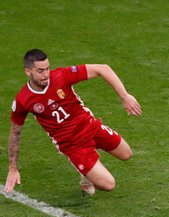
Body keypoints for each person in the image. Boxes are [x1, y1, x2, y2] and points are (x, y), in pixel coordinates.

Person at [5, 48, 142, 195]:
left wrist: (125, 97)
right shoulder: (23, 100)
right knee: (109, 185)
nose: (46, 75)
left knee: (126, 154)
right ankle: (86, 174)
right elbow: (15, 134)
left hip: (90, 126)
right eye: (40, 71)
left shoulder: (61, 76)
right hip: (73, 145)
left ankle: (89, 168)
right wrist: (13, 169)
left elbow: (103, 69)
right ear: (28, 72)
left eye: (47, 69)